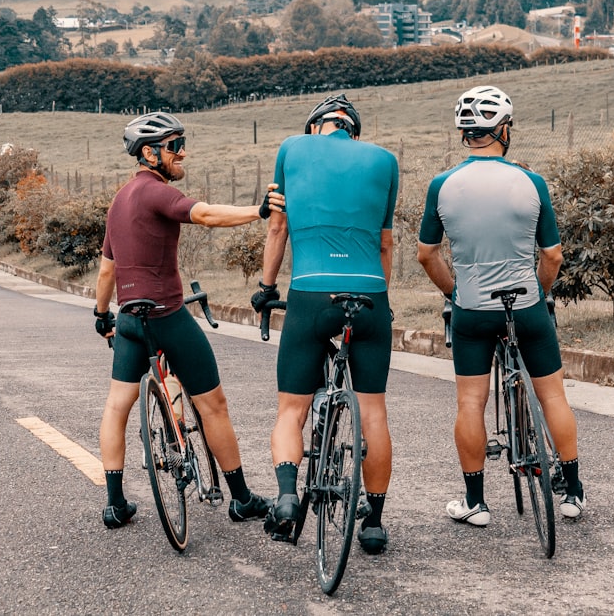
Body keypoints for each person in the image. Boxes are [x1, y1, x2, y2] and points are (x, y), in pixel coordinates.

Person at [94, 111, 284, 529]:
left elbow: (107, 270)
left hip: (128, 318)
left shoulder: (119, 200)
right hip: (167, 315)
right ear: (150, 153)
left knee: (117, 406)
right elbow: (204, 215)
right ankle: (241, 499)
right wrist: (259, 210)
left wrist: (101, 314)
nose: (183, 152)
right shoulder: (154, 193)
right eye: (174, 146)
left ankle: (114, 504)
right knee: (212, 404)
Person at [416, 86, 586, 525]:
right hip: (525, 305)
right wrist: (540, 292)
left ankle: (475, 503)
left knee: (470, 404)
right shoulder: (531, 182)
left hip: (472, 308)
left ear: (465, 134)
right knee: (552, 396)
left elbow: (426, 254)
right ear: (504, 130)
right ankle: (573, 494)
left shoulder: (442, 185)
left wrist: (455, 291)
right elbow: (552, 256)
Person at [251, 94, 398, 554]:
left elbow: (278, 229)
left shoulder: (291, 149)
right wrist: (382, 302)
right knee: (373, 410)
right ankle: (372, 523)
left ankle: (289, 497)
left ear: (316, 125)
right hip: (369, 293)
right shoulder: (385, 160)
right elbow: (386, 244)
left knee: (291, 410)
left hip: (311, 292)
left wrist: (266, 287)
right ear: (352, 129)